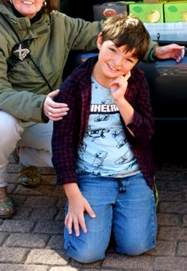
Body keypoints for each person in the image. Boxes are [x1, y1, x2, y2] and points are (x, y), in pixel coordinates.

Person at [0, 0, 184, 219]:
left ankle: (25, 158)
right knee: (3, 125)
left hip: (45, 113)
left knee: (80, 148)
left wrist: (154, 50)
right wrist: (38, 105)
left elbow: (109, 36)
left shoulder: (58, 23)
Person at [51, 15, 157, 263]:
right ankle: (103, 216)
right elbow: (62, 144)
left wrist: (121, 100)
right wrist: (73, 196)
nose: (117, 62)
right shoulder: (75, 85)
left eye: (129, 58)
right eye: (113, 50)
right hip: (91, 175)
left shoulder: (137, 82)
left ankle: (143, 196)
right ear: (100, 41)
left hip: (132, 173)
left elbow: (145, 133)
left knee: (136, 246)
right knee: (86, 253)